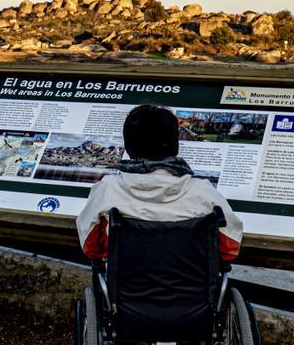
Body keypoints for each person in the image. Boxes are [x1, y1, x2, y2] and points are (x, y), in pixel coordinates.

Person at [76, 104, 243, 262]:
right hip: (194, 291)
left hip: (126, 290)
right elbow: (230, 249)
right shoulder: (205, 194)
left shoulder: (107, 189)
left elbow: (91, 247)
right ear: (175, 144)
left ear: (128, 145)